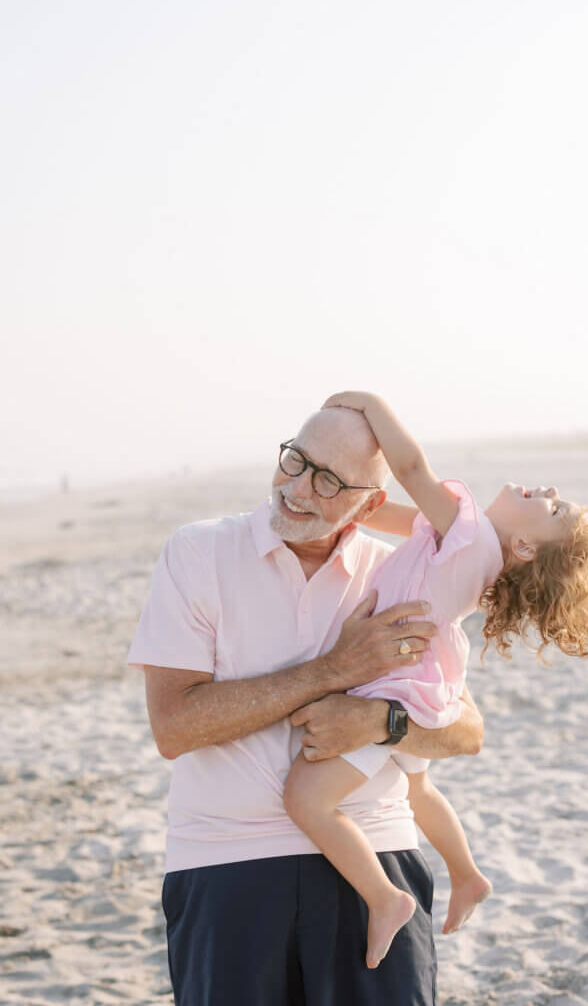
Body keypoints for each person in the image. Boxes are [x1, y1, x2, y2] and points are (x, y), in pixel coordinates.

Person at [127, 404, 486, 1006]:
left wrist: (379, 721)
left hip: (377, 857)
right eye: (296, 460)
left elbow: (466, 732)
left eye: (330, 480)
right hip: (225, 859)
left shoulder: (397, 573)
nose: (297, 488)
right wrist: (334, 671)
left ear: (371, 505)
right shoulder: (198, 552)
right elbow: (174, 726)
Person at [283, 390, 588, 970]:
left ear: (525, 546)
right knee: (418, 790)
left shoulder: (468, 529)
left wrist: (372, 406)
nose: (550, 491)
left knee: (306, 798)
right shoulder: (469, 548)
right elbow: (372, 511)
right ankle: (466, 873)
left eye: (556, 510)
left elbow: (410, 469)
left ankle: (383, 898)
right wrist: (326, 493)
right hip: (423, 676)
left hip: (394, 680)